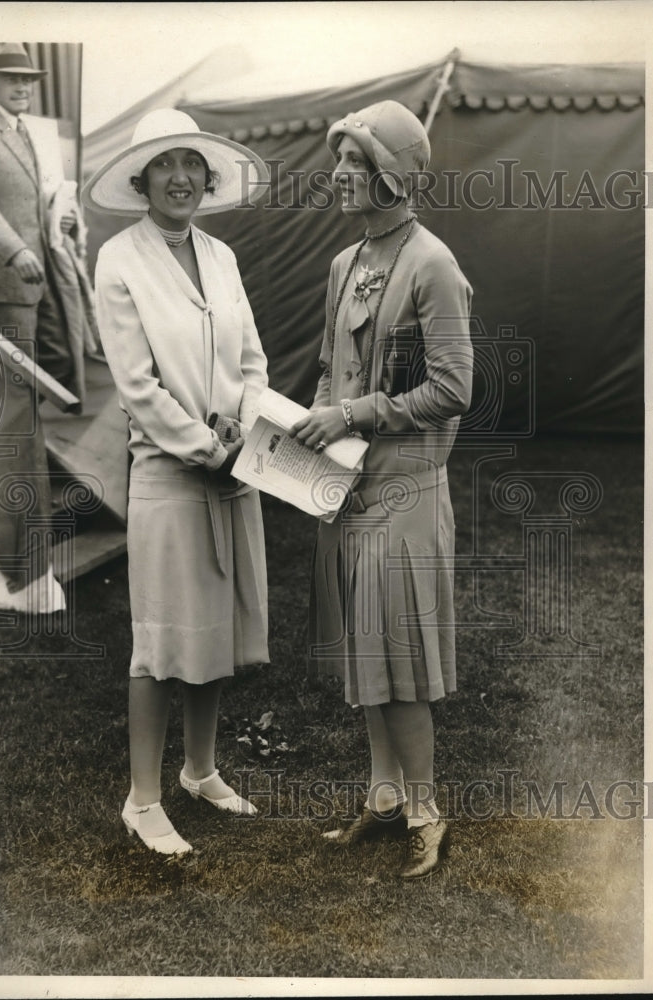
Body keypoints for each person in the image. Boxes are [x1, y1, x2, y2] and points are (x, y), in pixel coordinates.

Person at [291, 100, 473, 879]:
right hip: (348, 490)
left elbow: (454, 387)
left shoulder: (433, 264)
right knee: (367, 658)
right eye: (340, 163)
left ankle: (429, 812)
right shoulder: (343, 264)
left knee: (399, 663)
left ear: (393, 178)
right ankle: (386, 798)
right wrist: (293, 422)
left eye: (355, 165)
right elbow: (334, 374)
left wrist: (355, 411)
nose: (338, 175)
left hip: (407, 491)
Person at [84, 109, 270, 855]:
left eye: (191, 163)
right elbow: (137, 385)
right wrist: (205, 445)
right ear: (141, 178)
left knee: (215, 628)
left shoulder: (221, 256)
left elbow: (251, 360)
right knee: (160, 640)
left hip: (234, 465)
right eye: (165, 165)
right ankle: (142, 797)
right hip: (168, 470)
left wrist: (246, 428)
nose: (182, 177)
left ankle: (199, 770)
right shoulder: (119, 259)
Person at [0, 42, 85, 611]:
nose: (23, 86)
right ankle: (17, 573)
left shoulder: (25, 131)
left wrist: (56, 218)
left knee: (32, 416)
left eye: (28, 78)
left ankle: (31, 570)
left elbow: (37, 198)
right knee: (10, 426)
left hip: (36, 287)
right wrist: (18, 247)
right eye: (11, 78)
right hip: (1, 290)